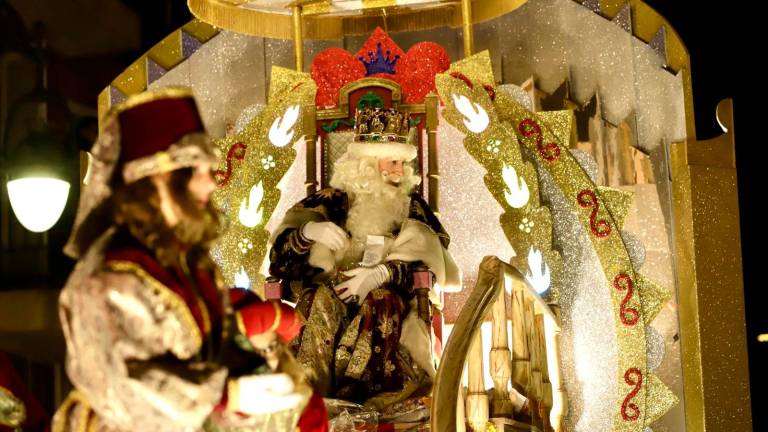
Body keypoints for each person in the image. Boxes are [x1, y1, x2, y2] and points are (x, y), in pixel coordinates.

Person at [53, 88, 314, 432]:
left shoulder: (191, 268)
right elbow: (119, 386)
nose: (210, 183)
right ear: (156, 176)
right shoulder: (105, 280)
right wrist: (228, 395)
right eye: (198, 170)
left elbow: (216, 355)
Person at [268, 106, 461, 410]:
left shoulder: (411, 207)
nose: (400, 171)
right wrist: (308, 232)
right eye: (393, 161)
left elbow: (430, 263)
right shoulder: (329, 202)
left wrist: (381, 273)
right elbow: (279, 259)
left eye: (402, 162)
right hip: (331, 291)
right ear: (368, 163)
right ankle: (309, 399)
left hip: (388, 300)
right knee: (316, 299)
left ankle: (360, 402)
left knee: (379, 301)